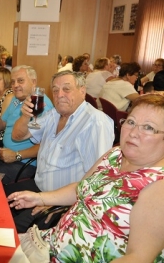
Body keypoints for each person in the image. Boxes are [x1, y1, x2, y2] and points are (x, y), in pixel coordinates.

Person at [9, 94, 164, 262]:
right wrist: (39, 198)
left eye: (148, 127)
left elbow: (138, 258)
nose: (133, 133)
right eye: (131, 122)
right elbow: (82, 188)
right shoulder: (116, 154)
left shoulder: (158, 186)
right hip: (48, 245)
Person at [6, 70, 114, 232]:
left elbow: (97, 180)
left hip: (62, 204)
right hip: (39, 187)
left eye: (66, 89)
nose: (60, 94)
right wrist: (25, 116)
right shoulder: (54, 114)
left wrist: (52, 201)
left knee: (10, 230)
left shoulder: (95, 122)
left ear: (82, 91)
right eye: (55, 90)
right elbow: (18, 136)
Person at [0, 65, 54, 184]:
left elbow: (47, 144)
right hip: (5, 153)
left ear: (33, 82)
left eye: (20, 81)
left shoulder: (40, 105)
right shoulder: (16, 100)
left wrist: (16, 155)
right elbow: (2, 123)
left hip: (24, 163)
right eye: (13, 82)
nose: (15, 85)